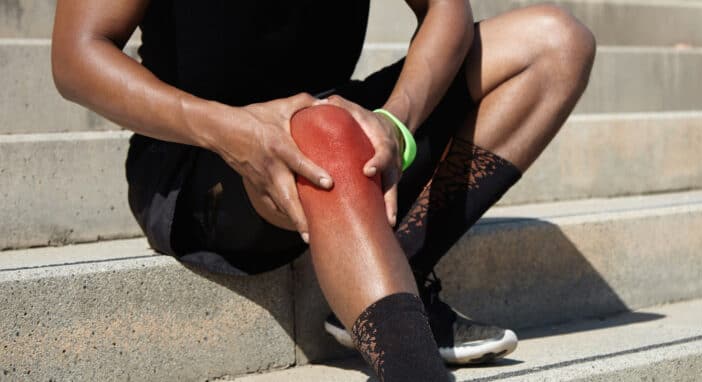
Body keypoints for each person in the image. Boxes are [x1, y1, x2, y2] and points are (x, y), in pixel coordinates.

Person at [52, 0, 594, 380]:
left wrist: (395, 122)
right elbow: (76, 56)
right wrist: (230, 131)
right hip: (200, 155)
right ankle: (411, 364)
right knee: (325, 131)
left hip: (333, 124)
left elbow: (446, 9)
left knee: (555, 42)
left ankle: (393, 270)